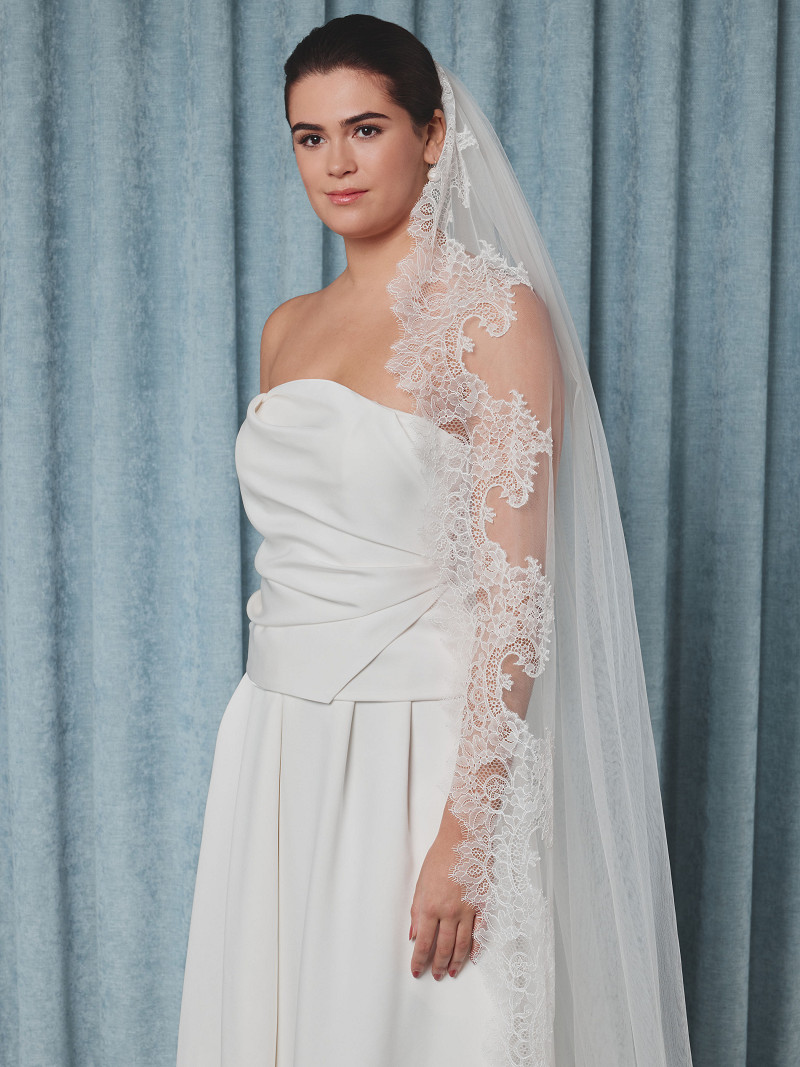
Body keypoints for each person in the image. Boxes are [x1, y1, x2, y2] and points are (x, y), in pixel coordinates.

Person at [176, 14, 694, 1067]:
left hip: (417, 753)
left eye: (364, 128)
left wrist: (468, 827)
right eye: (310, 136)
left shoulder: (494, 317)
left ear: (433, 135)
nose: (336, 162)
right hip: (277, 740)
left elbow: (517, 593)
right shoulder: (285, 327)